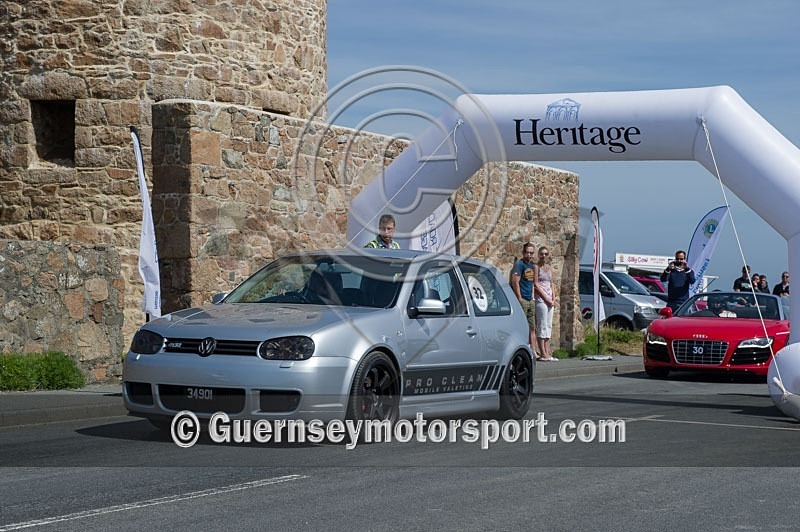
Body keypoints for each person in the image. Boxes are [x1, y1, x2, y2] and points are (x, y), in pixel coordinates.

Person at [510, 242, 537, 355]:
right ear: (523, 252)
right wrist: (520, 299)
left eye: (531, 253)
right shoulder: (519, 265)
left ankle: (533, 351)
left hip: (530, 300)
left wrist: (533, 297)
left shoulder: (532, 266)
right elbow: (515, 282)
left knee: (532, 327)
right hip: (523, 300)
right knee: (522, 327)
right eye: (527, 252)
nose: (529, 255)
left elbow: (533, 283)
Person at [533, 246, 558, 361]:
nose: (544, 256)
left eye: (546, 254)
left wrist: (553, 298)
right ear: (539, 255)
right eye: (542, 254)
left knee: (548, 326)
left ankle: (547, 352)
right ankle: (543, 353)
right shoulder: (536, 267)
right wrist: (546, 299)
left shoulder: (549, 268)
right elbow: (536, 285)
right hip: (541, 299)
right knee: (542, 325)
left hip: (550, 299)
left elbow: (551, 283)